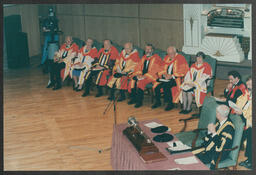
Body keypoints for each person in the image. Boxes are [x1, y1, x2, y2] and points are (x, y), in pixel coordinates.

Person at [192, 105, 235, 170]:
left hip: (219, 153)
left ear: (219, 114)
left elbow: (221, 145)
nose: (216, 113)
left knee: (193, 160)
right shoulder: (220, 122)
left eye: (217, 112)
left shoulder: (229, 128)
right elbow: (211, 137)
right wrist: (209, 131)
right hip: (211, 149)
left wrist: (214, 132)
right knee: (189, 154)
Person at [152, 46, 189, 111]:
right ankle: (158, 102)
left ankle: (170, 103)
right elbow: (161, 67)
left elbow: (183, 71)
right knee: (157, 86)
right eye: (168, 53)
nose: (170, 55)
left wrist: (172, 76)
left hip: (176, 79)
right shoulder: (167, 58)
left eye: (172, 53)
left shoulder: (180, 58)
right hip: (166, 78)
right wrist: (165, 74)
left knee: (166, 86)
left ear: (175, 52)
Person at [128, 44, 163, 108]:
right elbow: (138, 67)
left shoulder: (156, 58)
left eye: (149, 49)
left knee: (141, 82)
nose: (148, 51)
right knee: (133, 79)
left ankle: (140, 102)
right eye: (146, 49)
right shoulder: (144, 57)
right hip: (143, 76)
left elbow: (156, 69)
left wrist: (144, 76)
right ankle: (134, 98)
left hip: (153, 76)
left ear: (152, 50)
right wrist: (139, 74)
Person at [235, 76, 252, 169]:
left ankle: (251, 162)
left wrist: (243, 113)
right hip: (245, 119)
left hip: (250, 120)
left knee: (251, 139)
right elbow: (240, 100)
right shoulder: (247, 93)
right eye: (248, 84)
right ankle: (249, 159)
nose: (248, 86)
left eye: (250, 84)